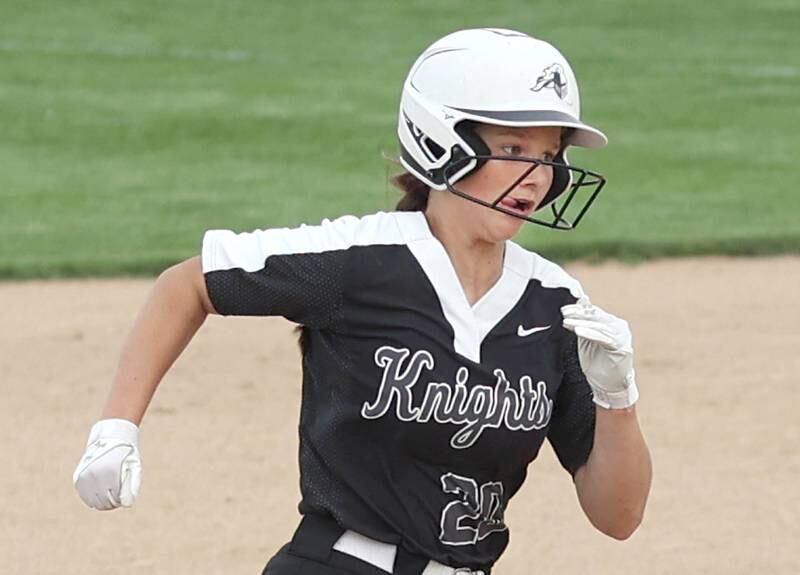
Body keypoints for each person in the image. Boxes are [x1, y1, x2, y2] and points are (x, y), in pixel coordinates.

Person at [73, 28, 652, 575]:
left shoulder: (555, 304)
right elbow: (189, 284)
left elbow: (617, 518)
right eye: (513, 147)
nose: (536, 176)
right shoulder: (358, 260)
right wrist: (116, 428)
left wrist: (617, 399)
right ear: (440, 141)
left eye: (549, 156)